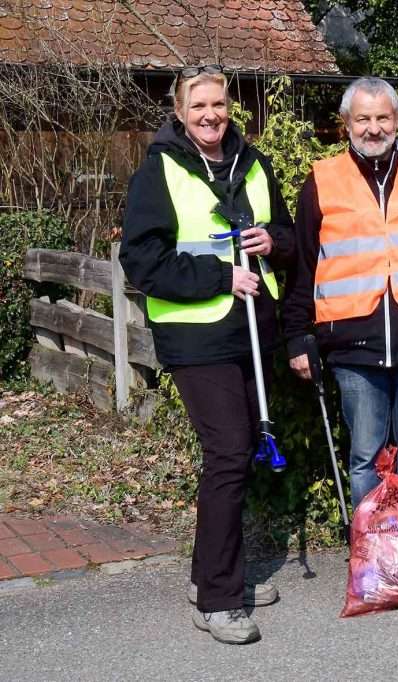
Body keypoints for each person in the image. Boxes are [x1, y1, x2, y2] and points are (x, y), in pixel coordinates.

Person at [120, 65, 295, 643]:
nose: (210, 114)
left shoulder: (253, 162)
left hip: (251, 332)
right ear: (179, 112)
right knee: (228, 453)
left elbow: (291, 240)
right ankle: (218, 599)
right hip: (196, 337)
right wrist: (221, 276)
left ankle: (216, 574)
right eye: (198, 106)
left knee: (238, 457)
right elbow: (142, 262)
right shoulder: (159, 170)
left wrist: (273, 240)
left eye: (218, 104)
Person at [283, 77, 398, 510]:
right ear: (346, 123)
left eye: (383, 117)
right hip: (352, 347)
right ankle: (372, 562)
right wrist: (296, 337)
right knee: (366, 460)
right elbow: (303, 268)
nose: (374, 128)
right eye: (363, 118)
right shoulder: (322, 180)